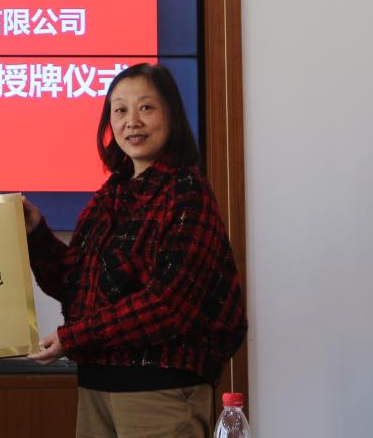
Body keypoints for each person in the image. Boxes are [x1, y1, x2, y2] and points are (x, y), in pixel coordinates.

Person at [23, 63, 246, 438]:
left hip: (159, 391)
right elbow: (75, 284)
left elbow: (169, 303)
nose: (132, 122)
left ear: (171, 115)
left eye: (146, 107)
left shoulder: (187, 192)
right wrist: (36, 234)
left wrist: (72, 338)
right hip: (96, 386)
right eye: (120, 110)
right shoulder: (109, 196)